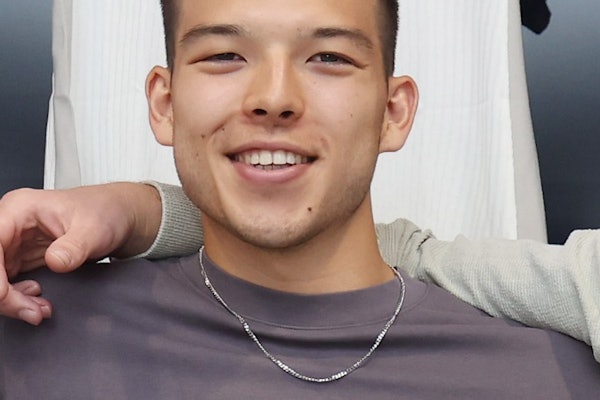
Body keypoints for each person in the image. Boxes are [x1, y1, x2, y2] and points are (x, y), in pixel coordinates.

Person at [1, 0, 599, 397]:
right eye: (225, 55)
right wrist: (137, 209)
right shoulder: (28, 323)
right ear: (165, 103)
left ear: (393, 112)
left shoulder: (555, 373)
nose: (274, 98)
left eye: (329, 58)